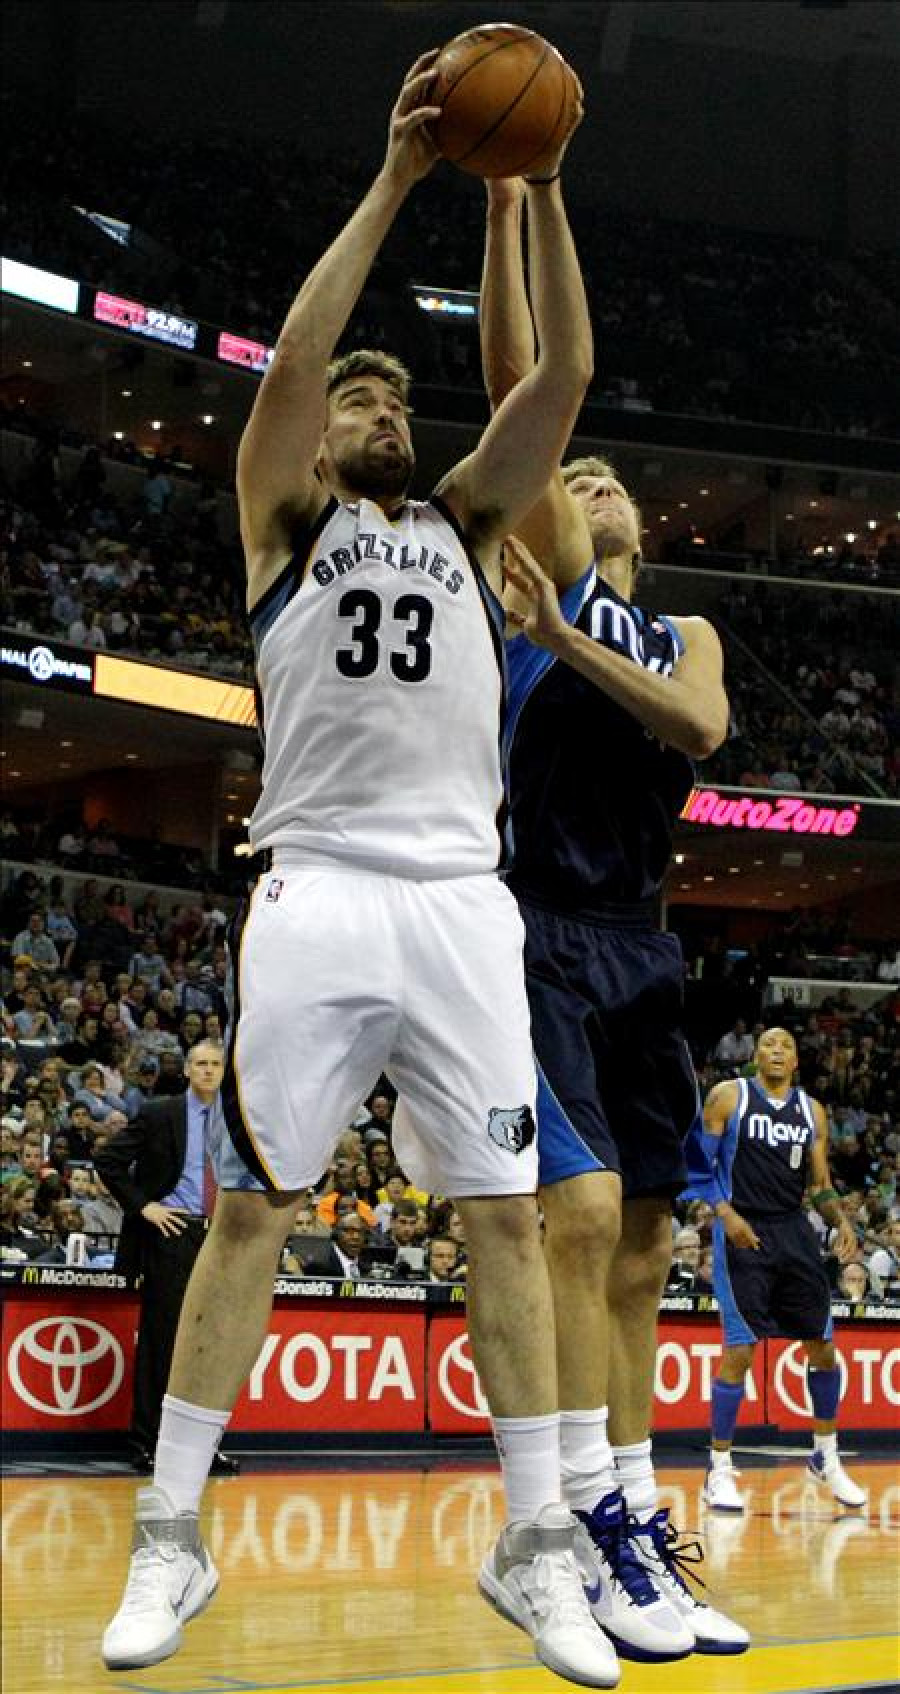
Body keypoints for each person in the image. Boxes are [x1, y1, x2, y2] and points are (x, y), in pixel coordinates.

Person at [102, 53, 618, 1691]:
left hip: (466, 900)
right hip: (316, 886)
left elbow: (563, 385)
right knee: (253, 1204)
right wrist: (395, 183)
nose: (379, 405)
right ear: (317, 434)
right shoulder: (281, 520)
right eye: (358, 400)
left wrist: (524, 192)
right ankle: (172, 1533)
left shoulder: (470, 527)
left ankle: (538, 1544)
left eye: (397, 397)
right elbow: (299, 360)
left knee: (512, 1221)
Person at [478, 179, 744, 1658]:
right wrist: (524, 200)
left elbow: (700, 726)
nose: (587, 487)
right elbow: (526, 386)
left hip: (646, 940)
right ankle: (581, 1523)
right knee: (578, 1222)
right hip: (541, 926)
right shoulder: (559, 580)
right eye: (570, 482)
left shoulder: (672, 628)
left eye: (603, 481)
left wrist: (574, 643)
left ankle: (640, 1522)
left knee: (643, 1250)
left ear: (640, 520)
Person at [687, 1026, 867, 1513]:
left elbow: (822, 1184)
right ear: (754, 1056)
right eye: (769, 1043)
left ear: (796, 1062)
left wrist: (840, 1220)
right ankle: (718, 1470)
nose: (777, 1051)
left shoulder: (812, 1111)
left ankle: (825, 1457)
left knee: (824, 1348)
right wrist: (727, 1217)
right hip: (742, 1224)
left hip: (793, 1231)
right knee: (740, 1350)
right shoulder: (729, 1097)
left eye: (786, 1046)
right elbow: (698, 1166)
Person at [94, 1042, 238, 1477]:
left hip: (221, 1237)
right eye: (202, 1064)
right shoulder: (161, 1113)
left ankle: (203, 1448)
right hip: (172, 1231)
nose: (209, 1071)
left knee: (212, 1348)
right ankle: (149, 1444)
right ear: (188, 1070)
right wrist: (145, 1207)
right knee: (163, 1344)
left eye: (216, 1064)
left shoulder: (237, 1121)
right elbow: (109, 1160)